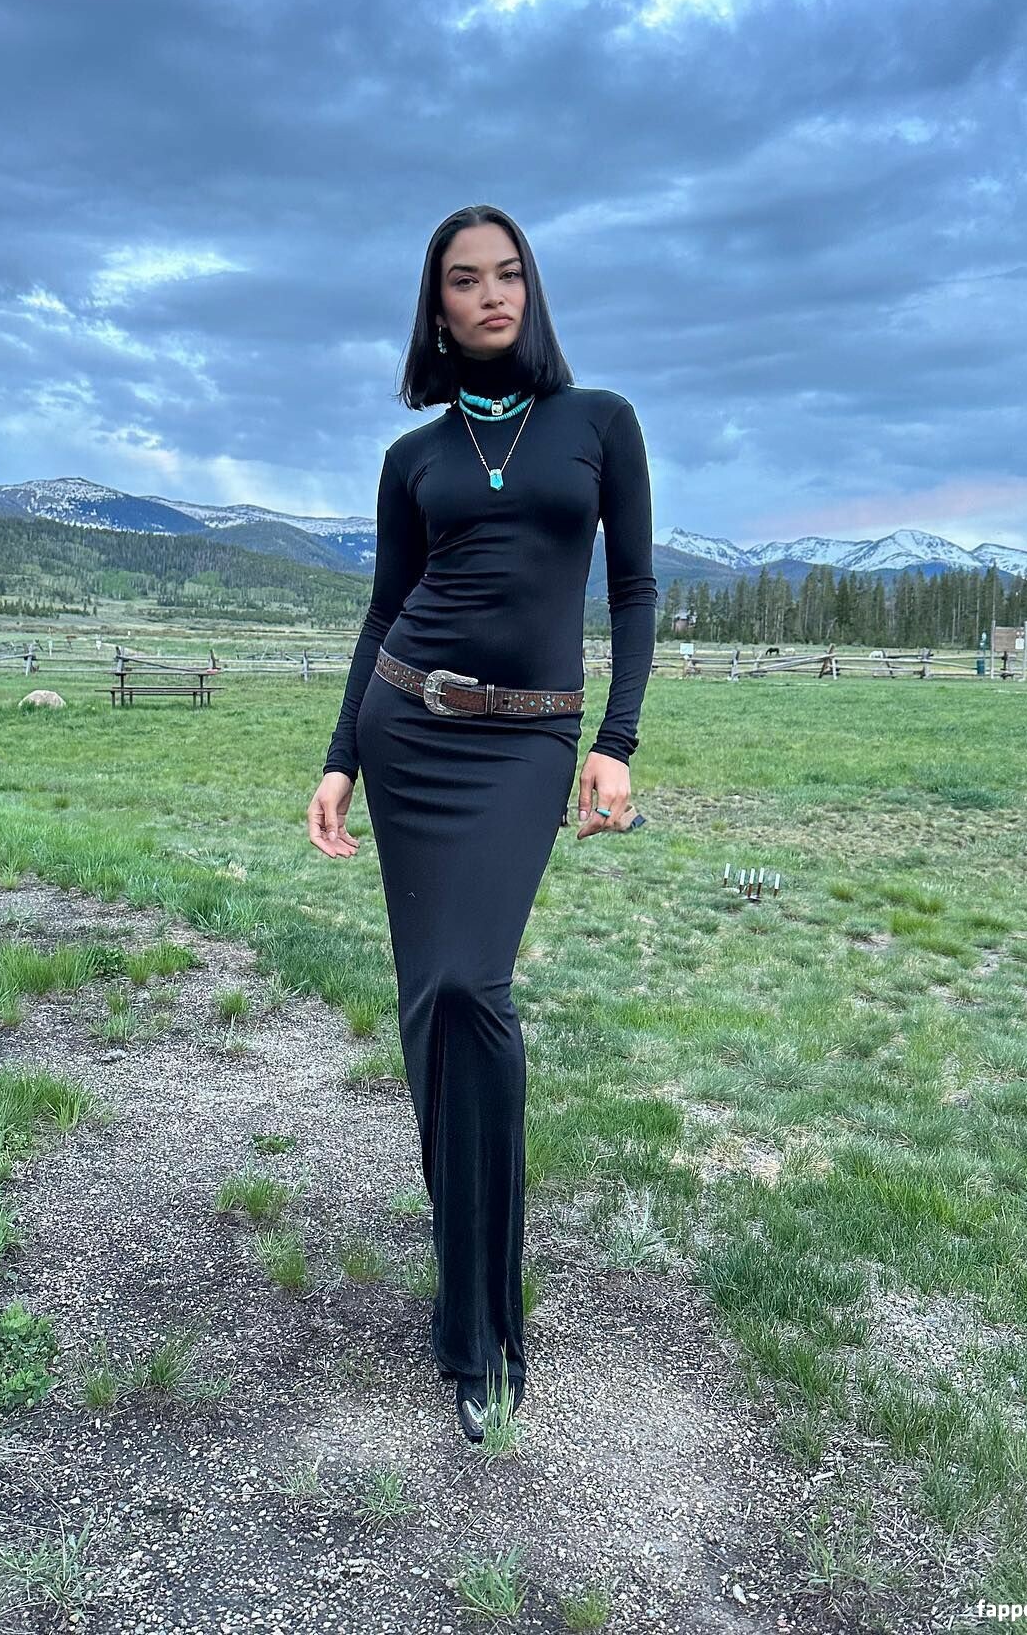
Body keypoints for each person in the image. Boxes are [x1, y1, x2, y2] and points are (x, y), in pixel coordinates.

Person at [307, 205, 657, 1442]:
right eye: (466, 280)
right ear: (439, 307)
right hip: (410, 726)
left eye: (509, 274)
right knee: (431, 1010)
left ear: (532, 290)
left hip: (527, 744)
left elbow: (633, 589)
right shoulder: (415, 457)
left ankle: (487, 1303)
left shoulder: (600, 424)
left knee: (473, 989)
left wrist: (616, 744)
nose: (491, 293)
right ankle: (470, 1313)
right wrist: (341, 758)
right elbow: (382, 610)